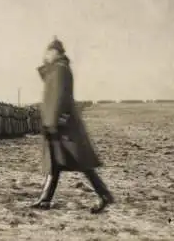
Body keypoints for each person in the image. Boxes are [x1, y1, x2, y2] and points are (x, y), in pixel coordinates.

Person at [32, 37, 114, 214]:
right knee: (55, 164)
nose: (46, 55)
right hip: (56, 125)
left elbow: (61, 98)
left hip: (63, 126)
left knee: (83, 164)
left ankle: (105, 195)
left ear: (56, 52)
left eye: (49, 52)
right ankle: (45, 199)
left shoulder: (61, 70)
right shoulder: (56, 70)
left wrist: (55, 121)